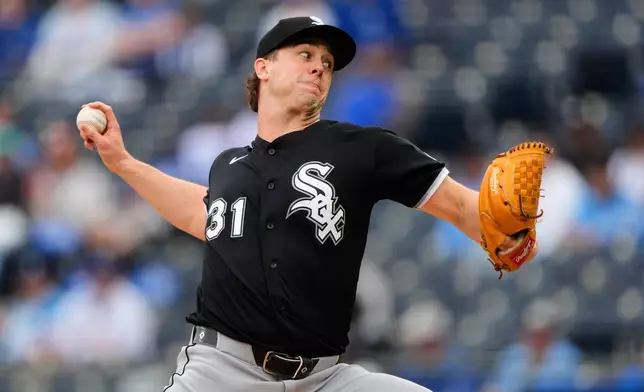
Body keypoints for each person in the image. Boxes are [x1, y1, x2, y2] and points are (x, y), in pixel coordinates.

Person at [77, 16, 534, 392]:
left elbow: (461, 206)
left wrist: (502, 228)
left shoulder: (362, 148)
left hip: (326, 378)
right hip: (221, 374)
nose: (319, 67)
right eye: (306, 55)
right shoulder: (230, 166)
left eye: (328, 63)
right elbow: (202, 214)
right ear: (263, 68)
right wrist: (122, 162)